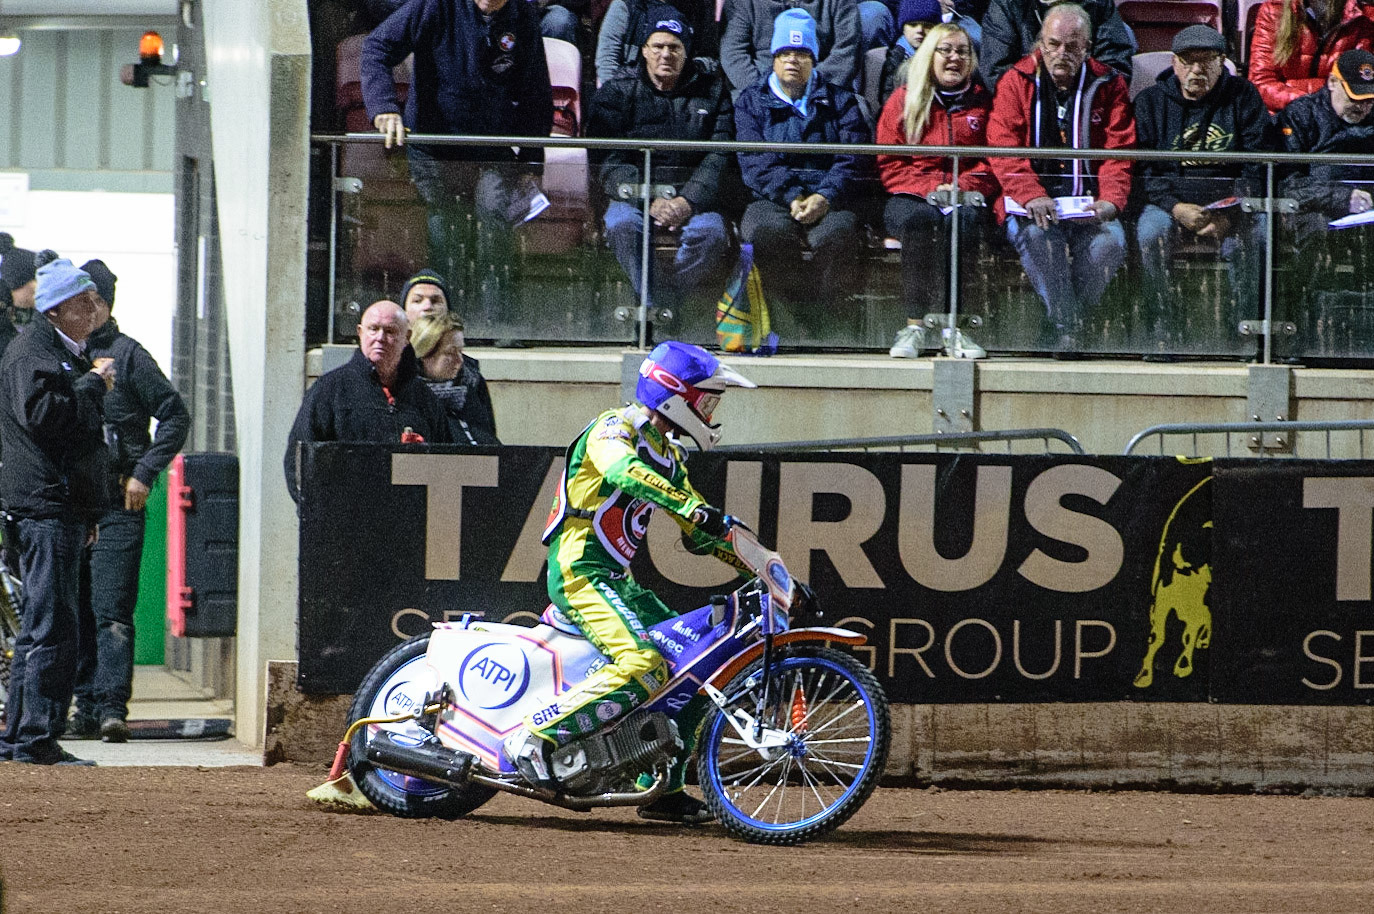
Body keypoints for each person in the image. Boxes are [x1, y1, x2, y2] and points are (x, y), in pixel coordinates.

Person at [502, 340, 755, 825]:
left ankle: (659, 787)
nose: (712, 410)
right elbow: (623, 470)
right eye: (707, 399)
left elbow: (701, 534)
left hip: (617, 579)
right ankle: (535, 737)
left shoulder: (668, 455)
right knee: (642, 662)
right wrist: (689, 507)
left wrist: (762, 566)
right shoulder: (613, 428)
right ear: (674, 395)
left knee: (697, 663)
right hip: (579, 572)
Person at [361, 0, 554, 322]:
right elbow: (377, 47)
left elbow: (536, 93)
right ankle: (442, 323)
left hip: (493, 146)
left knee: (495, 217)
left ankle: (498, 322)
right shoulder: (435, 5)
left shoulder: (522, 14)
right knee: (446, 231)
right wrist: (384, 107)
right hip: (434, 145)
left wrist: (532, 163)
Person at [64, 261, 191, 742]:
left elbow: (174, 415)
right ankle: (83, 707)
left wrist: (144, 473)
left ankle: (111, 708)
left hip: (120, 501)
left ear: (106, 303)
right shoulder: (64, 358)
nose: (85, 308)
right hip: (74, 504)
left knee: (112, 609)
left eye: (93, 299)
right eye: (79, 299)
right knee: (72, 609)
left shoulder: (130, 356)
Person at [0, 259, 114, 766]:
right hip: (46, 507)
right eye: (85, 301)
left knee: (44, 625)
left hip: (59, 507)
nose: (95, 310)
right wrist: (91, 386)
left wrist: (88, 511)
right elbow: (44, 418)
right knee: (50, 626)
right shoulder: (34, 352)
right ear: (58, 309)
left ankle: (24, 735)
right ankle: (34, 739)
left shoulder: (53, 351)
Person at [987, 3, 1134, 356]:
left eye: (1071, 46)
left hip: (1086, 203)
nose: (1060, 54)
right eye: (1052, 44)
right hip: (1031, 204)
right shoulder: (1016, 80)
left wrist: (1110, 201)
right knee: (1038, 238)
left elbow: (1119, 151)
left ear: (1087, 47)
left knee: (1110, 243)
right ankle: (1071, 329)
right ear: (1040, 43)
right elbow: (1002, 147)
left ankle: (1061, 325)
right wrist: (1030, 195)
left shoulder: (1108, 85)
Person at [1132, 26, 1275, 361]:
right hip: (1169, 203)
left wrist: (1230, 215)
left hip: (1233, 205)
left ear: (1222, 61)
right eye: (1188, 61)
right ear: (1174, 63)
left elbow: (1259, 165)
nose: (1196, 69)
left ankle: (1244, 331)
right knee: (1151, 233)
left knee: (1259, 235)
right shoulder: (1150, 103)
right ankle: (1164, 329)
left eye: (1207, 60)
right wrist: (1176, 207)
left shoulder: (1244, 96)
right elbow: (1145, 171)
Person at [587, 6, 737, 319]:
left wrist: (688, 200)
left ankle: (665, 303)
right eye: (657, 46)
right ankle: (657, 308)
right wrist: (648, 195)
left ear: (687, 52)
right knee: (621, 224)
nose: (665, 55)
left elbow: (719, 155)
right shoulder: (618, 90)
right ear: (644, 50)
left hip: (693, 198)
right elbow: (608, 158)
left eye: (674, 47)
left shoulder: (713, 91)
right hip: (634, 196)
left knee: (710, 233)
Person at [734, 9, 870, 325]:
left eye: (802, 53)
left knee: (839, 235)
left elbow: (853, 157)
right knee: (766, 234)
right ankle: (794, 319)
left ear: (814, 59)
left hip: (829, 198)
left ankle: (828, 322)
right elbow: (755, 162)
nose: (793, 60)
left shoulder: (841, 100)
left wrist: (824, 196)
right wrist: (792, 195)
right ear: (773, 58)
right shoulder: (750, 101)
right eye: (785, 53)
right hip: (771, 198)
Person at [878, 24, 997, 359]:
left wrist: (960, 187)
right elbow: (890, 164)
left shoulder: (983, 102)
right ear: (930, 55)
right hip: (912, 195)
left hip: (966, 195)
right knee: (919, 222)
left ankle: (955, 329)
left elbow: (994, 160)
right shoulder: (903, 100)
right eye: (945, 50)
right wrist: (933, 189)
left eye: (962, 51)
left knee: (964, 224)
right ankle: (914, 326)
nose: (954, 58)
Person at [284, 301, 452, 503]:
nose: (380, 338)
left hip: (407, 526)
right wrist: (320, 516)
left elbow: (446, 464)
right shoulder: (329, 391)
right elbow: (299, 462)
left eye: (390, 331)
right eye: (373, 329)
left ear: (407, 338)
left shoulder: (425, 399)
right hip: (345, 526)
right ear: (360, 332)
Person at [1277, 49, 1374, 326]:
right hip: (1312, 209)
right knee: (1315, 232)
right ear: (1332, 83)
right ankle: (1297, 322)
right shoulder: (1300, 115)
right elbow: (1287, 182)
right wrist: (1343, 197)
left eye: (1369, 101)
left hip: (1367, 211)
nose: (1362, 108)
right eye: (1355, 98)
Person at [1248, 0, 1374, 116]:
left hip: (1336, 117)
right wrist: (1310, 103)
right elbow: (1261, 82)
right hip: (1284, 115)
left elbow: (1360, 83)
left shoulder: (1360, 18)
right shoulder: (1274, 11)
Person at [979, 0, 1133, 92]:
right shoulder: (1007, 5)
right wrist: (1044, 97)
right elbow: (996, 72)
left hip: (1086, 102)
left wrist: (1072, 93)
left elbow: (1116, 66)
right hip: (1026, 103)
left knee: (1128, 33)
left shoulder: (1098, 4)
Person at [720, 0, 862, 94]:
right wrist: (762, 89)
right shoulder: (744, 3)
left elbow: (848, 50)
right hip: (759, 88)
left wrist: (812, 87)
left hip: (823, 88)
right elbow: (733, 52)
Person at [410, 311, 501, 445]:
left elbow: (489, 435)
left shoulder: (472, 383)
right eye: (450, 353)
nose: (459, 360)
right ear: (424, 354)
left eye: (460, 351)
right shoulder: (410, 395)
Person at [879, 0, 983, 104]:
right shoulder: (896, 57)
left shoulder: (950, 58)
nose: (920, 30)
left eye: (927, 25)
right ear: (903, 28)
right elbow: (888, 98)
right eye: (913, 25)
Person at [594, 0, 719, 84]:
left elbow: (710, 58)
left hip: (682, 95)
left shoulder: (699, 7)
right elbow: (607, 60)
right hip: (628, 94)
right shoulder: (627, 6)